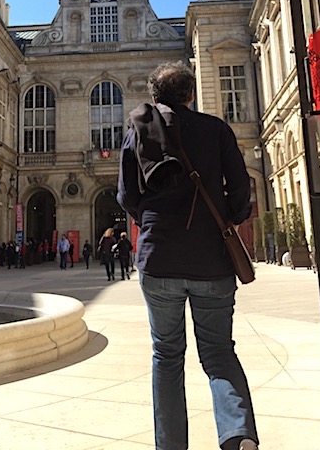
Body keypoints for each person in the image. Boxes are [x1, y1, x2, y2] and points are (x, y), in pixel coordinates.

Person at [117, 61, 258, 450]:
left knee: (167, 355)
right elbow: (241, 188)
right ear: (191, 95)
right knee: (217, 351)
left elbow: (127, 195)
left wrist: (151, 221)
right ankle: (237, 434)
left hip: (159, 258)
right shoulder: (216, 129)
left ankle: (171, 446)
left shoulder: (137, 133)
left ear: (155, 98)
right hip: (211, 258)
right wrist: (229, 218)